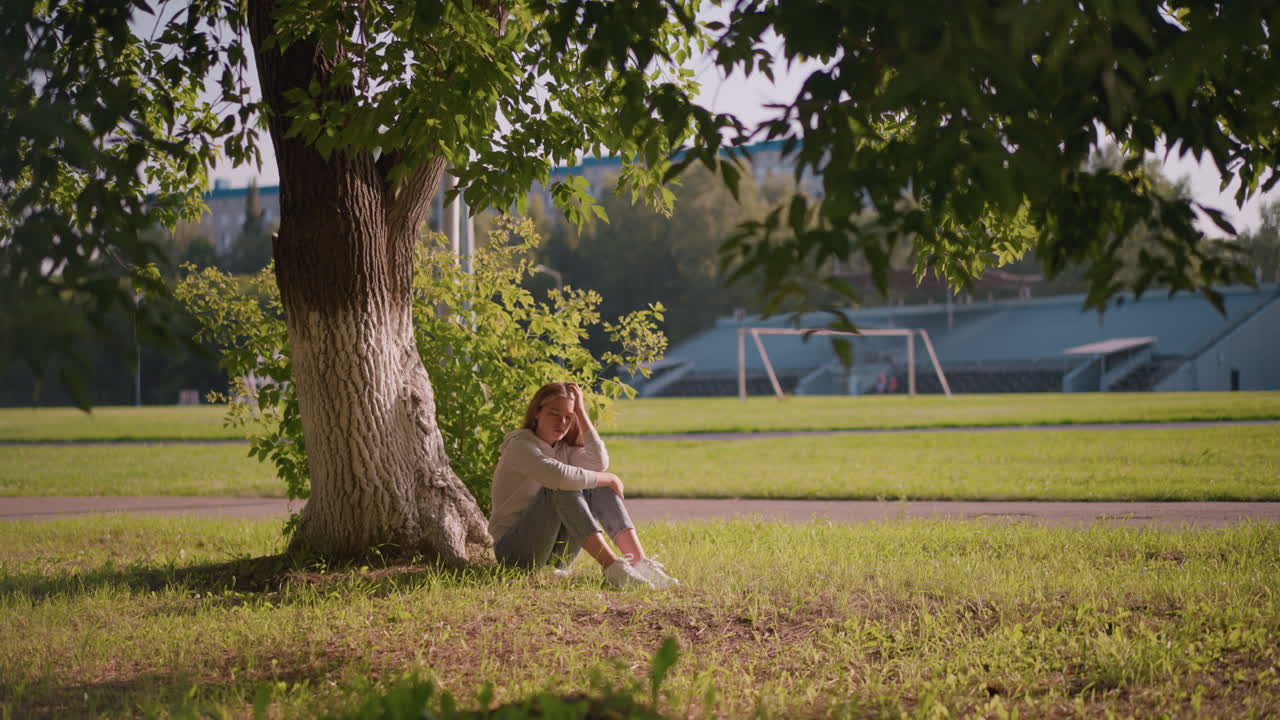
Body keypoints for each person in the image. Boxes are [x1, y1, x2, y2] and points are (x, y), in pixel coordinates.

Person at [488, 381, 678, 589]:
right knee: (563, 486)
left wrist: (580, 410)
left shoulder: (563, 449)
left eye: (568, 416)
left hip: (556, 555)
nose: (562, 422)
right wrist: (610, 478)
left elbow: (598, 463)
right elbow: (558, 477)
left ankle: (639, 563)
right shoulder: (520, 445)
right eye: (554, 413)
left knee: (598, 485)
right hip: (514, 553)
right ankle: (613, 569)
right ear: (537, 413)